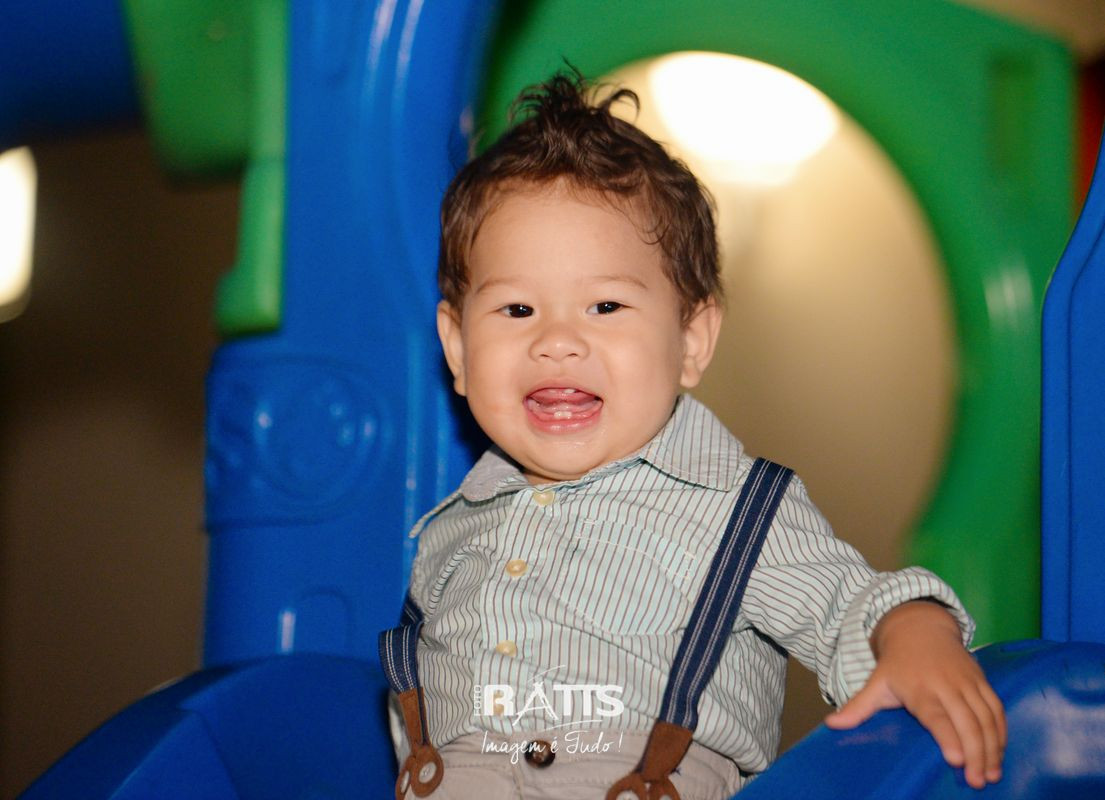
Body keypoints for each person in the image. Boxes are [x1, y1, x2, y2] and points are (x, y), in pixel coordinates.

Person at [381, 69, 1005, 800]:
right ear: (458, 349)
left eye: (605, 307)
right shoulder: (450, 532)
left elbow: (847, 607)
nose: (556, 341)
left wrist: (915, 630)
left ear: (691, 340)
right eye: (517, 310)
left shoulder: (736, 512)